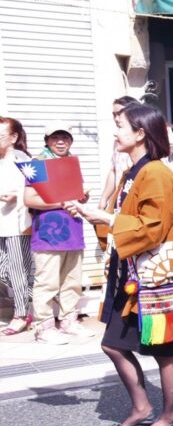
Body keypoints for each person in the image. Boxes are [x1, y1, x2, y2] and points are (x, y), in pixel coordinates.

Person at [67, 104, 173, 426]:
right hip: (130, 274)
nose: (115, 131)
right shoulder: (132, 172)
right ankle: (142, 408)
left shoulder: (157, 173)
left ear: (140, 133)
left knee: (164, 349)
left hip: (153, 278)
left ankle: (170, 415)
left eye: (120, 125)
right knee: (114, 344)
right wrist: (92, 215)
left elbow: (152, 227)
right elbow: (124, 220)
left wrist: (104, 219)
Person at [24, 124, 93, 343]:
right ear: (47, 140)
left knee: (72, 281)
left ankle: (68, 321)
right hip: (47, 232)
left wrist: (82, 198)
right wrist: (62, 202)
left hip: (73, 229)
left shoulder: (72, 163)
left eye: (65, 137)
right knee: (47, 282)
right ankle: (43, 328)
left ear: (71, 141)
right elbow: (30, 199)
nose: (61, 141)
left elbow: (77, 195)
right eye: (55, 137)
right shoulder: (37, 164)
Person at [0, 117, 33, 336]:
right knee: (5, 270)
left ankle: (21, 314)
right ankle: (32, 295)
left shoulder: (21, 158)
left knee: (17, 269)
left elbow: (36, 187)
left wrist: (17, 195)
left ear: (13, 137)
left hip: (16, 223)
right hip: (1, 222)